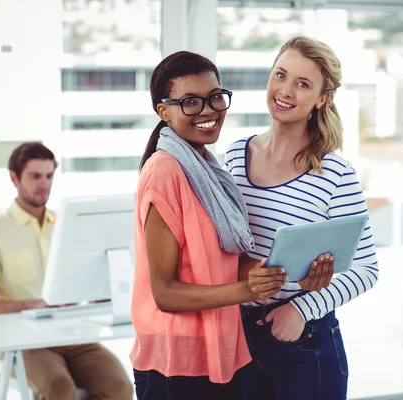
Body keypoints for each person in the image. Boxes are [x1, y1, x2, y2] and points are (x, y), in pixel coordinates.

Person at [129, 50, 308, 400]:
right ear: (164, 111)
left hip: (220, 348)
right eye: (191, 102)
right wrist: (248, 291)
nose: (208, 110)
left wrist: (283, 272)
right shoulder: (165, 170)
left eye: (214, 97)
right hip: (175, 361)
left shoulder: (210, 168)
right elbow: (164, 292)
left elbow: (216, 261)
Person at [225, 36, 380, 400]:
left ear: (322, 99)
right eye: (280, 75)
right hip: (239, 337)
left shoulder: (334, 174)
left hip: (304, 341)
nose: (285, 90)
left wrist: (300, 309)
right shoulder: (233, 155)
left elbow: (367, 269)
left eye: (303, 84)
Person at [0, 142, 133, 400]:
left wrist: (102, 293)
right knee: (59, 387)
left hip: (74, 337)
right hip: (20, 344)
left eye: (49, 176)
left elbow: (83, 282)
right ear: (14, 178)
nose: (44, 183)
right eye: (35, 176)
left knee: (119, 386)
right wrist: (33, 305)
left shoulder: (66, 225)